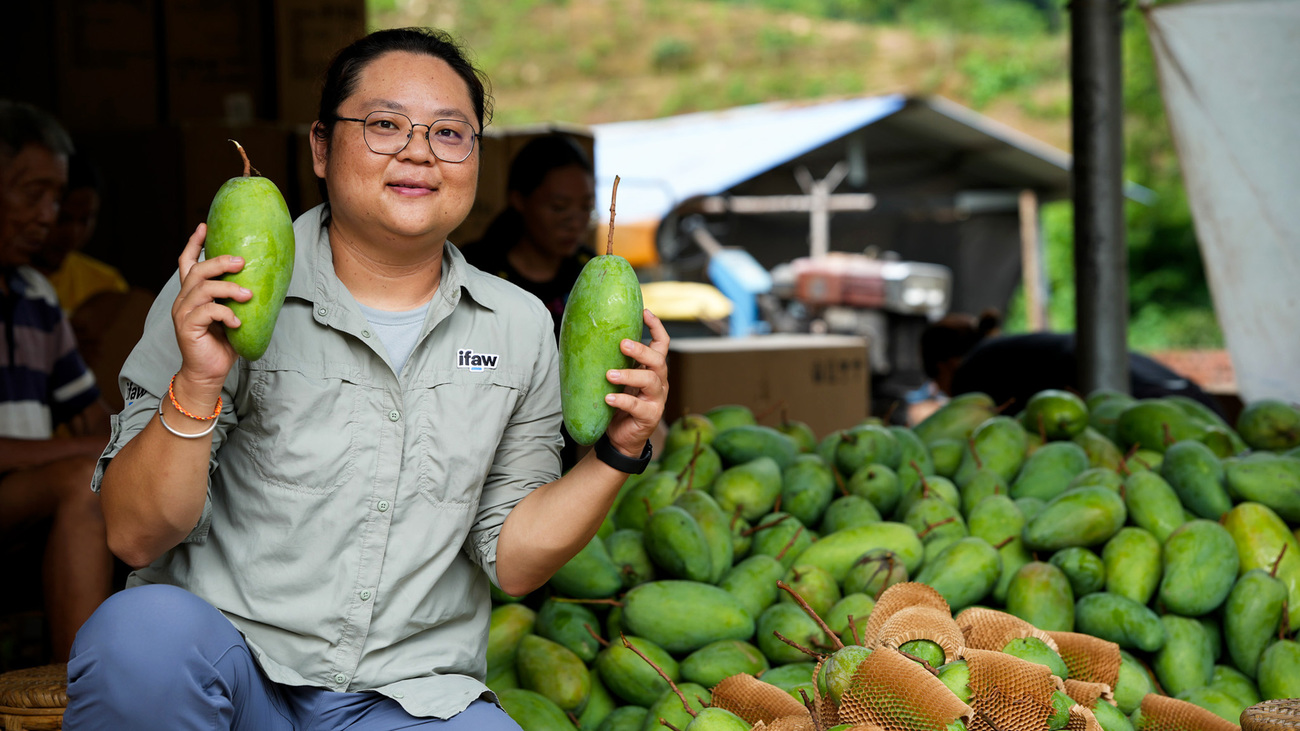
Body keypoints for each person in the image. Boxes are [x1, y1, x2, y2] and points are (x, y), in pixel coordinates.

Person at [63, 27, 669, 731]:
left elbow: (515, 561)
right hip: (233, 676)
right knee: (138, 635)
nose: (417, 150)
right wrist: (198, 380)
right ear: (321, 147)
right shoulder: (222, 296)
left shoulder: (521, 326)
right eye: (384, 124)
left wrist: (621, 446)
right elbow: (135, 536)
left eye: (450, 132)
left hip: (405, 702)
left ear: (477, 157)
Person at [0, 100, 114, 663]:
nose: (48, 214)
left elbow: (95, 421)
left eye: (55, 197)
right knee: (81, 480)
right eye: (32, 193)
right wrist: (93, 450)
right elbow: (91, 443)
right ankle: (87, 697)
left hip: (21, 504)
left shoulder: (35, 297)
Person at [919, 310, 1224, 415]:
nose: (946, 393)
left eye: (937, 385)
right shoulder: (1009, 351)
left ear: (945, 366)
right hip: (1192, 399)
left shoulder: (972, 373)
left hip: (1155, 409)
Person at [463, 133, 597, 339]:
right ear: (518, 200)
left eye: (586, 207)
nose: (576, 223)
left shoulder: (590, 271)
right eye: (559, 207)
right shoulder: (474, 271)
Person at [31, 152, 130, 316]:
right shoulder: (9, 283)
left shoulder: (107, 285)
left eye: (84, 220)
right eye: (63, 218)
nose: (72, 233)